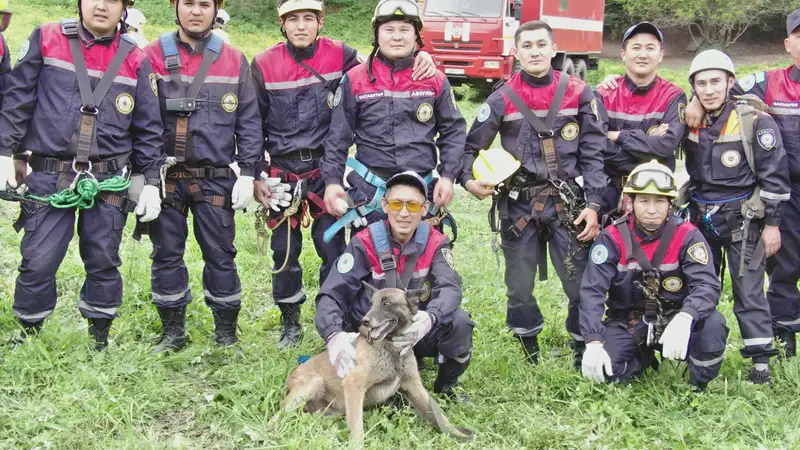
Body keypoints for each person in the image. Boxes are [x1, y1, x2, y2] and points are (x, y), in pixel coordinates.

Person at [250, 0, 437, 348]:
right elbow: (251, 121)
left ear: (320, 21)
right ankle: (290, 323)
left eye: (309, 18)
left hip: (326, 171)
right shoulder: (263, 63)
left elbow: (381, 67)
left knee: (333, 250)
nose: (301, 26)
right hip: (282, 172)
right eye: (293, 20)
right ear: (282, 24)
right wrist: (255, 172)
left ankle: (332, 317)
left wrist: (422, 58)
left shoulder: (341, 55)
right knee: (284, 253)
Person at [0, 0, 164, 349]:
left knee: (103, 257)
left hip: (108, 179)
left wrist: (149, 180)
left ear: (124, 7)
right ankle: (29, 333)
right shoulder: (46, 38)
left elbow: (148, 127)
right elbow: (18, 100)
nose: (101, 6)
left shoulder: (136, 56)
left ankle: (99, 336)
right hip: (50, 173)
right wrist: (3, 150)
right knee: (39, 260)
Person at [461, 20, 605, 366]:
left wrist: (596, 204)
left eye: (542, 44)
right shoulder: (501, 98)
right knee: (519, 283)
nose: (535, 51)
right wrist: (469, 181)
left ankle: (580, 345)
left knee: (578, 281)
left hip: (567, 206)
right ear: (516, 52)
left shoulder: (579, 92)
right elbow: (467, 150)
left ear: (554, 50)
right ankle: (528, 347)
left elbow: (595, 152)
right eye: (527, 46)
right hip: (519, 206)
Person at [142, 0, 262, 351]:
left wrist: (248, 171)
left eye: (204, 4)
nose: (196, 11)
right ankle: (172, 331)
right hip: (168, 177)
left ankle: (226, 333)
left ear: (216, 9)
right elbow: (144, 122)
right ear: (174, 7)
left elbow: (249, 120)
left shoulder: (234, 59)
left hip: (216, 177)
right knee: (165, 253)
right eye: (189, 3)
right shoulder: (152, 54)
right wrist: (147, 176)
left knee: (221, 253)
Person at [684, 9, 800, 359]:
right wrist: (694, 99)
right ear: (788, 42)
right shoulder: (767, 81)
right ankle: (783, 338)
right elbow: (720, 86)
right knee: (785, 266)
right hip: (782, 192)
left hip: (770, 189)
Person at [315, 171, 473, 402]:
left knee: (460, 323)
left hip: (416, 331)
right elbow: (331, 294)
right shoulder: (364, 242)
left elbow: (450, 288)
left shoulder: (436, 242)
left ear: (424, 207)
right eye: (397, 204)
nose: (404, 213)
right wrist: (333, 335)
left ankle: (447, 384)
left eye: (412, 205)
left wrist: (430, 318)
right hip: (374, 336)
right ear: (384, 205)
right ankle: (387, 386)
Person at [320, 0, 465, 235]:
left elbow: (453, 131)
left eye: (405, 29)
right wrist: (332, 182)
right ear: (377, 35)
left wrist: (448, 176)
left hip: (421, 191)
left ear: (417, 36)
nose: (397, 37)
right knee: (368, 266)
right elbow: (338, 137)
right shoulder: (355, 80)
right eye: (389, 29)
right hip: (371, 193)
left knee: (424, 267)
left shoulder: (435, 80)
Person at [579, 160, 729, 389]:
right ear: (631, 201)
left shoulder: (688, 236)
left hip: (675, 317)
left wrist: (687, 316)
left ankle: (697, 384)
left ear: (670, 203)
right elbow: (592, 291)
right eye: (644, 201)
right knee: (603, 374)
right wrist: (593, 340)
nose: (651, 209)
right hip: (629, 321)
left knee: (712, 325)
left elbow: (706, 286)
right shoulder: (611, 238)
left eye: (659, 201)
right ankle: (642, 358)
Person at [593, 22, 686, 221]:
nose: (643, 54)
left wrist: (617, 135)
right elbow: (596, 145)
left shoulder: (673, 96)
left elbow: (666, 146)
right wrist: (646, 144)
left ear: (660, 55)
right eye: (636, 47)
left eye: (650, 48)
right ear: (623, 53)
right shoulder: (603, 93)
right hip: (608, 192)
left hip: (656, 193)